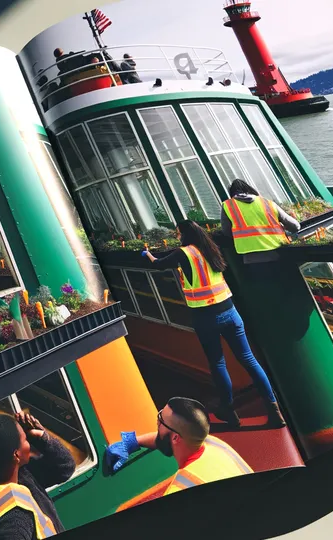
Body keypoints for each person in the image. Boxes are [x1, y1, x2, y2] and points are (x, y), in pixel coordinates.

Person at [142, 220, 285, 428]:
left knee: (218, 363)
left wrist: (147, 254)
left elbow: (158, 264)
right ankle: (274, 410)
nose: (177, 236)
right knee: (249, 360)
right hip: (230, 311)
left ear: (183, 234)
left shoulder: (184, 253)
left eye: (178, 233)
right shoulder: (211, 248)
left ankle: (229, 410)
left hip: (205, 317)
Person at [0, 412, 75, 540]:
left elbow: (65, 467)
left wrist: (42, 437)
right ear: (16, 455)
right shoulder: (14, 518)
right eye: (25, 440)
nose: (29, 443)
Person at [104, 397, 252, 496]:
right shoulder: (214, 444)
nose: (157, 422)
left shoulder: (179, 491)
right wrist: (133, 442)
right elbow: (163, 439)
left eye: (160, 420)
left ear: (175, 437)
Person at [220, 178, 300, 254]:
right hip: (278, 250)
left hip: (251, 254)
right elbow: (295, 226)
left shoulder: (228, 205)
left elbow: (227, 231)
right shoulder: (267, 202)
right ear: (250, 189)